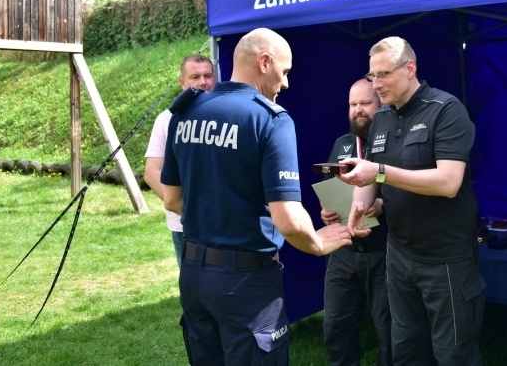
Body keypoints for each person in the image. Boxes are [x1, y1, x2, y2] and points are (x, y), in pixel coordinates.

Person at [161, 27, 352, 365]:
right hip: (245, 281)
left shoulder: (185, 112)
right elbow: (288, 219)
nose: (286, 83)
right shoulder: (270, 119)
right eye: (284, 71)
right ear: (264, 62)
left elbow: (172, 199)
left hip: (193, 275)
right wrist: (318, 244)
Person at [342, 36, 485, 366]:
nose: (376, 84)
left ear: (409, 68)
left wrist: (379, 172)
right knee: (406, 349)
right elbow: (371, 176)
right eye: (372, 75)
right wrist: (360, 206)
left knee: (453, 353)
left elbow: (448, 183)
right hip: (400, 255)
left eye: (384, 74)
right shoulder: (381, 117)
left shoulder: (446, 110)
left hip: (446, 258)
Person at [319, 78, 392, 366]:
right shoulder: (343, 144)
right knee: (336, 325)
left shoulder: (392, 142)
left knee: (389, 327)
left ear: (381, 104)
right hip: (344, 250)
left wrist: (383, 203)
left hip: (384, 250)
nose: (357, 110)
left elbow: (404, 184)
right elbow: (331, 187)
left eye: (364, 103)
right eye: (352, 104)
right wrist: (327, 213)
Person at [144, 54, 215, 266]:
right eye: (195, 77)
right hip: (183, 225)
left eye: (208, 76)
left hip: (224, 224)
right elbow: (152, 172)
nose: (203, 82)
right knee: (191, 283)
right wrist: (185, 210)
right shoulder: (166, 119)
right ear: (182, 82)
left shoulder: (227, 114)